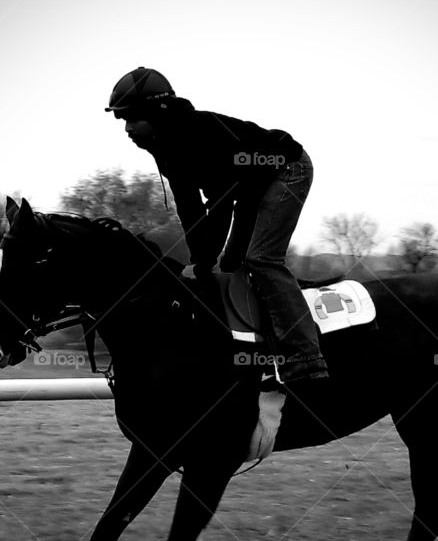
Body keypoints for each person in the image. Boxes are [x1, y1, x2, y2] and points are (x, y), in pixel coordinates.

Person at [105, 66, 328, 387]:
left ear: (157, 113)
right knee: (230, 265)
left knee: (261, 259)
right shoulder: (163, 144)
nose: (127, 128)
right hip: (248, 186)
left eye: (131, 118)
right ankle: (255, 350)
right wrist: (202, 262)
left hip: (287, 169)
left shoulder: (195, 135)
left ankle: (305, 358)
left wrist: (203, 262)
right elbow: (190, 207)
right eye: (122, 120)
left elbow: (222, 206)